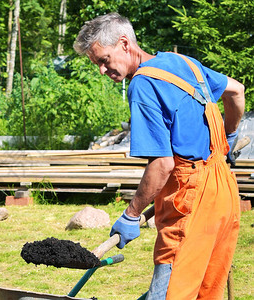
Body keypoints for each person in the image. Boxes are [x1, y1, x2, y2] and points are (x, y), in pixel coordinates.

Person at [74, 12, 245, 299]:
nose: (102, 71)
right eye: (97, 65)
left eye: (103, 60)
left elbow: (163, 164)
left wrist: (131, 214)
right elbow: (237, 92)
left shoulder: (143, 86)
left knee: (171, 292)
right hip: (225, 194)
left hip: (190, 203)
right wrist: (226, 139)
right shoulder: (184, 62)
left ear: (125, 44)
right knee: (207, 292)